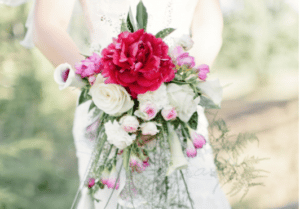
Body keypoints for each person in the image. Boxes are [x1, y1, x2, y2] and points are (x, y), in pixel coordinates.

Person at [1, 0, 230, 208]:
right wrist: (103, 87)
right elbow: (48, 25)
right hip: (106, 106)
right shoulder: (105, 96)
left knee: (193, 193)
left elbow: (208, 27)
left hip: (178, 108)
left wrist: (177, 88)